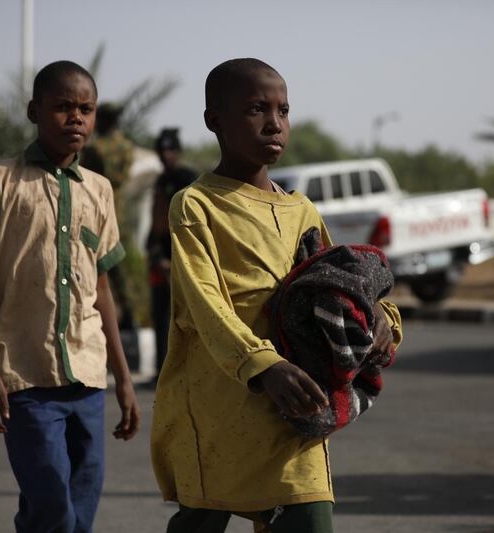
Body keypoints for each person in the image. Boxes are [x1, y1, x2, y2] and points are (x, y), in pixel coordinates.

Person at [150, 58, 403, 533]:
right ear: (214, 121)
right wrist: (264, 366)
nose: (275, 123)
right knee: (202, 516)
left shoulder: (301, 209)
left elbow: (342, 284)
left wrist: (384, 317)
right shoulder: (196, 205)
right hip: (220, 408)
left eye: (283, 110)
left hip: (296, 407)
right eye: (256, 109)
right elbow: (206, 305)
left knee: (309, 516)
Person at [0, 60, 140, 533]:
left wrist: (123, 378)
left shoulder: (99, 191)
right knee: (52, 504)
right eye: (62, 107)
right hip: (26, 380)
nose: (75, 117)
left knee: (81, 502)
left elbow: (102, 290)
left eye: (86, 109)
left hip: (89, 376)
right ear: (34, 111)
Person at [145, 128, 197, 379]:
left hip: (182, 260)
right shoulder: (160, 181)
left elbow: (191, 225)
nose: (166, 155)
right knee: (160, 315)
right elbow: (155, 222)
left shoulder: (187, 178)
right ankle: (162, 371)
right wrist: (155, 254)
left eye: (170, 150)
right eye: (161, 151)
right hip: (160, 260)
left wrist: (176, 261)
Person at [81, 101, 136, 329]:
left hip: (98, 211)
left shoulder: (95, 148)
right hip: (121, 212)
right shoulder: (126, 146)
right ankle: (130, 315)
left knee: (96, 266)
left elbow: (85, 180)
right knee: (119, 266)